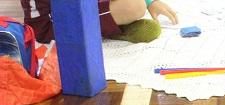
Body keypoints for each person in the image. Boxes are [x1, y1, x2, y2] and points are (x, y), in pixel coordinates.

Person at [21, 0, 177, 44]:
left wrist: (151, 2)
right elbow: (40, 30)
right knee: (134, 6)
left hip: (79, 9)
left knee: (136, 4)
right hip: (52, 28)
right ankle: (115, 30)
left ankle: (112, 25)